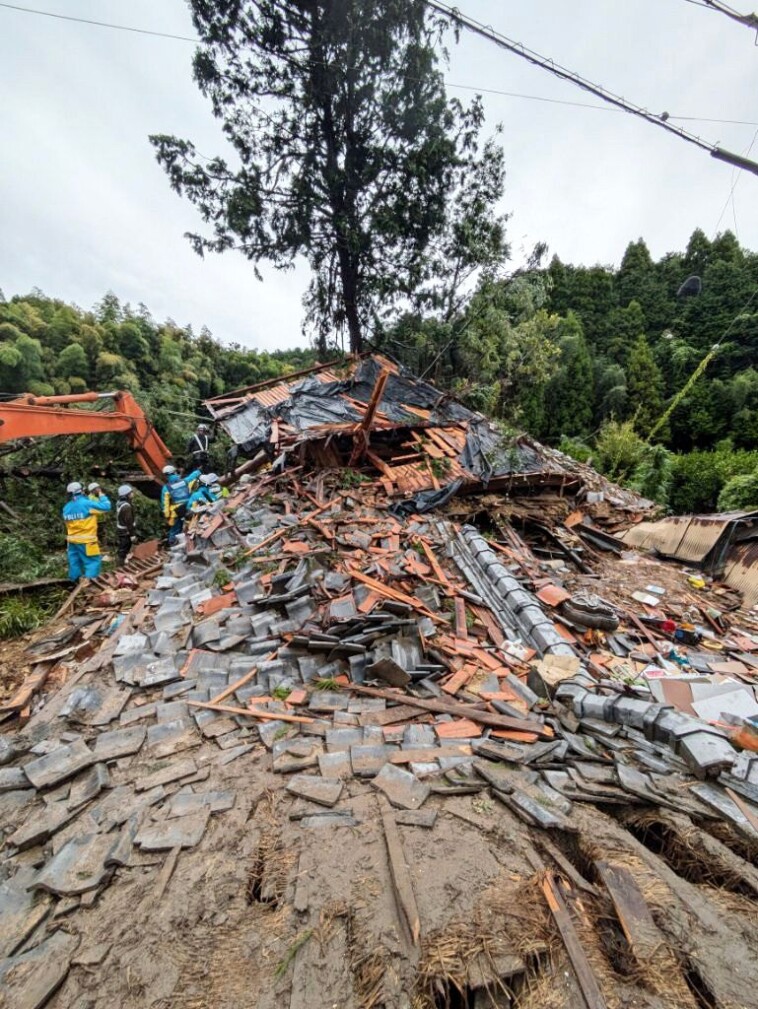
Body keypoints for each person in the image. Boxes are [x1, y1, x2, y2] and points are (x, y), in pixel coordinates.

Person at [62, 481, 111, 581]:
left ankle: (74, 584)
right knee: (92, 562)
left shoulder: (66, 507)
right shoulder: (87, 504)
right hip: (87, 541)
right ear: (82, 491)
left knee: (74, 563)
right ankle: (89, 585)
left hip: (72, 541)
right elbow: (106, 507)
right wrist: (101, 494)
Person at [161, 464, 201, 544]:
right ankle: (191, 545)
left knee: (175, 530)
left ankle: (173, 546)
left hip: (175, 513)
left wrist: (167, 516)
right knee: (191, 527)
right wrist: (198, 471)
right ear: (174, 472)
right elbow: (192, 477)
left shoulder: (166, 488)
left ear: (166, 475)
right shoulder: (184, 481)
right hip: (188, 509)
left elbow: (165, 504)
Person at [116, 484, 137, 565]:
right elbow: (129, 521)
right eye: (131, 492)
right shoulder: (126, 506)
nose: (132, 494)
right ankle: (120, 565)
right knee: (124, 548)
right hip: (125, 531)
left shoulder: (120, 502)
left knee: (123, 547)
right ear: (127, 494)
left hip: (121, 529)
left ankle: (122, 562)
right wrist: (132, 535)